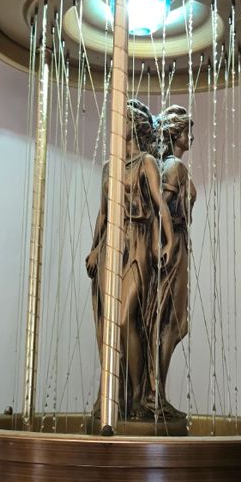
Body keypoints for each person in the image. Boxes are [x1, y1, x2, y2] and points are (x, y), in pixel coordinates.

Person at [86, 99, 172, 420]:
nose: (116, 125)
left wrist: (168, 240)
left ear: (133, 125)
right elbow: (103, 213)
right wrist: (95, 247)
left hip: (137, 242)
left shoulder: (146, 162)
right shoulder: (110, 166)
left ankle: (138, 397)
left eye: (121, 120)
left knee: (125, 319)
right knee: (107, 325)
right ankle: (114, 396)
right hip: (111, 246)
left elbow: (160, 204)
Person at [151, 104, 195, 418]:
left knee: (171, 320)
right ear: (175, 133)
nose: (191, 136)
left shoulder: (169, 165)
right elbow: (161, 207)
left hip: (177, 241)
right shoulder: (174, 166)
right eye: (187, 130)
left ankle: (156, 390)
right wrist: (166, 240)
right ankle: (156, 392)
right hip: (175, 243)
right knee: (173, 320)